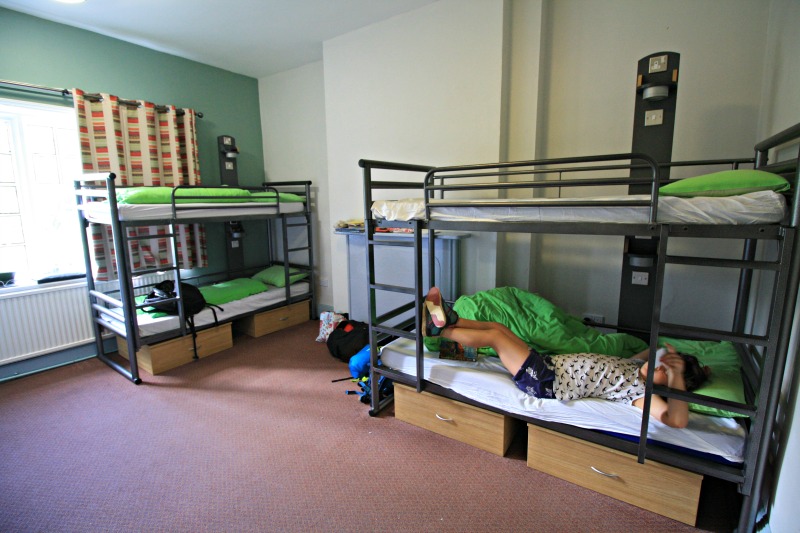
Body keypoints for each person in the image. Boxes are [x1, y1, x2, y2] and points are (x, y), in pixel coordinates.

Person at [422, 287, 710, 428]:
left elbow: (676, 421)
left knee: (496, 339)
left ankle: (441, 333)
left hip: (546, 382)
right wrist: (671, 354)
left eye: (664, 370)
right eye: (662, 362)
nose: (657, 364)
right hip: (546, 364)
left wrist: (676, 380)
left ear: (666, 385)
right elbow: (650, 350)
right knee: (500, 327)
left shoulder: (638, 392)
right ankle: (450, 320)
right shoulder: (636, 366)